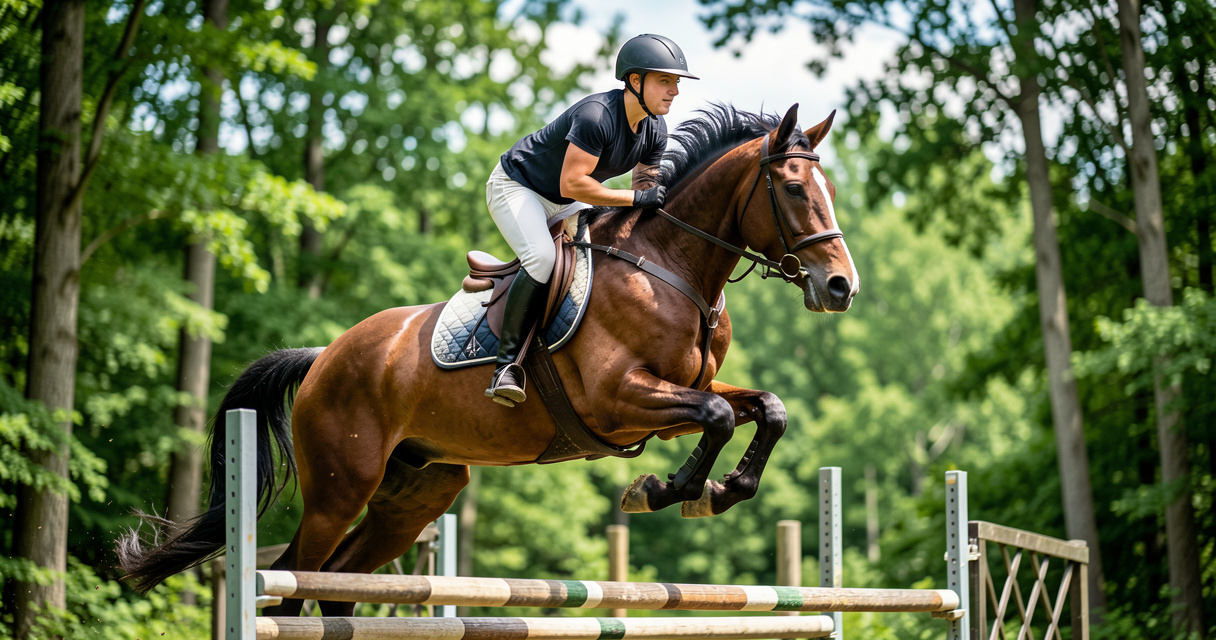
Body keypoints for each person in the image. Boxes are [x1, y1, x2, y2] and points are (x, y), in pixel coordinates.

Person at [484, 33, 698, 406]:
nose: (675, 91)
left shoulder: (655, 129)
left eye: (676, 82)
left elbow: (644, 188)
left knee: (606, 256)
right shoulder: (596, 116)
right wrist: (636, 198)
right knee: (542, 258)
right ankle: (506, 367)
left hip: (566, 201)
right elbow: (573, 182)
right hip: (518, 188)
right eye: (665, 80)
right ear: (635, 81)